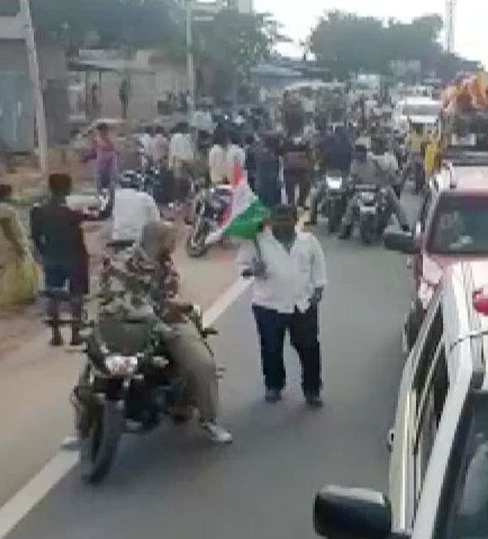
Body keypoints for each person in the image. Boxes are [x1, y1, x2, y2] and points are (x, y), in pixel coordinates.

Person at [132, 219, 233, 444]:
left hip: (165, 320)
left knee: (202, 363)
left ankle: (209, 419)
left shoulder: (166, 264)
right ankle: (84, 424)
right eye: (170, 239)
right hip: (131, 320)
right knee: (99, 351)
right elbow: (114, 292)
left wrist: (171, 308)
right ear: (156, 239)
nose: (174, 243)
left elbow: (169, 296)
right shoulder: (124, 262)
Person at [236, 205, 327, 407]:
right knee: (271, 348)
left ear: (295, 220)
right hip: (268, 305)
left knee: (309, 348)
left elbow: (318, 265)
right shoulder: (256, 240)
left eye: (286, 219)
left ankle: (312, 389)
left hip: (302, 303)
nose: (281, 224)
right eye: (277, 220)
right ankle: (274, 385)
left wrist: (318, 291)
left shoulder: (308, 241)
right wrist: (253, 269)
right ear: (270, 221)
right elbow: (242, 267)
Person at [30, 173, 89, 347]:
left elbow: (35, 236)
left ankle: (56, 335)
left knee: (53, 294)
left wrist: (43, 253)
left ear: (50, 188)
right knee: (76, 295)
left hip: (52, 256)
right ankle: (75, 335)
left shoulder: (38, 211)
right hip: (75, 256)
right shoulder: (73, 211)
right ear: (68, 189)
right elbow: (100, 214)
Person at [0, 184, 39, 308]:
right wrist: (17, 245)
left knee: (5, 270)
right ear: (6, 194)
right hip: (9, 245)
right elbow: (8, 229)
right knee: (15, 268)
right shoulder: (4, 209)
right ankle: (17, 296)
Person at [340, 141, 408, 238]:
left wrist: (390, 179)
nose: (359, 157)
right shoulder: (355, 163)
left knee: (395, 203)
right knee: (352, 205)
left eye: (360, 155)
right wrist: (351, 184)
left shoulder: (375, 161)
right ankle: (346, 229)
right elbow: (353, 177)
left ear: (365, 153)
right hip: (363, 190)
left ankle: (405, 226)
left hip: (381, 188)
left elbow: (387, 172)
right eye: (357, 155)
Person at [109, 171, 159, 251]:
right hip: (138, 241)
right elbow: (156, 221)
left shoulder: (115, 196)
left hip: (118, 239)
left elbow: (110, 215)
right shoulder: (146, 198)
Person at [85, 122, 118, 212]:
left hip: (110, 167)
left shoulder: (110, 140)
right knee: (99, 187)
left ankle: (110, 205)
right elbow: (94, 152)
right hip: (100, 167)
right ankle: (102, 205)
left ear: (106, 131)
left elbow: (114, 151)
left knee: (111, 187)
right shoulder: (97, 140)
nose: (101, 133)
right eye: (100, 131)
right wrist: (86, 157)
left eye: (102, 131)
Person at [281, 134, 312, 212]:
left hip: (302, 171)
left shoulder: (306, 143)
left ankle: (300, 202)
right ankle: (292, 205)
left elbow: (310, 156)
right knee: (290, 191)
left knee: (307, 185)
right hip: (290, 171)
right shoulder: (286, 144)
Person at [254, 132, 283, 207]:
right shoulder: (271, 155)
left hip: (264, 184)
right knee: (272, 207)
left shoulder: (260, 152)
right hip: (269, 184)